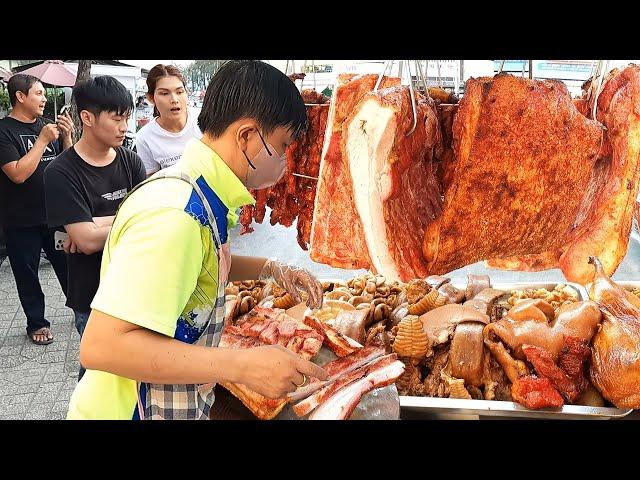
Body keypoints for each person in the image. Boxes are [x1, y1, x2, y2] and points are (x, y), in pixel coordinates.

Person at [67, 60, 327, 420]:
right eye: (282, 146)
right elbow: (101, 346)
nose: (284, 160)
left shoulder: (204, 194)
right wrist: (240, 366)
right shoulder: (177, 215)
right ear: (247, 136)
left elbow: (198, 268)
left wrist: (270, 268)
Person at [44, 76, 146, 380]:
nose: (124, 126)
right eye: (116, 118)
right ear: (87, 117)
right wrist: (127, 217)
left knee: (136, 377)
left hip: (137, 288)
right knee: (99, 376)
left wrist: (94, 222)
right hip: (93, 296)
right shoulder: (61, 171)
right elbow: (86, 242)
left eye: (126, 118)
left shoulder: (131, 161)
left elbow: (150, 217)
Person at [0, 74, 72, 345]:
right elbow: (17, 174)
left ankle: (84, 311)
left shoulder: (46, 126)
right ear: (20, 96)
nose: (44, 99)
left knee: (69, 265)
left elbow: (67, 166)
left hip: (54, 216)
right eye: (39, 93)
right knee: (27, 274)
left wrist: (67, 137)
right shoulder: (4, 131)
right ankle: (37, 323)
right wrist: (41, 141)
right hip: (21, 220)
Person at [134, 64, 201, 177]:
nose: (174, 100)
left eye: (179, 92)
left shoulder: (204, 119)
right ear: (151, 98)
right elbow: (153, 182)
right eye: (164, 93)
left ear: (186, 92)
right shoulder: (144, 138)